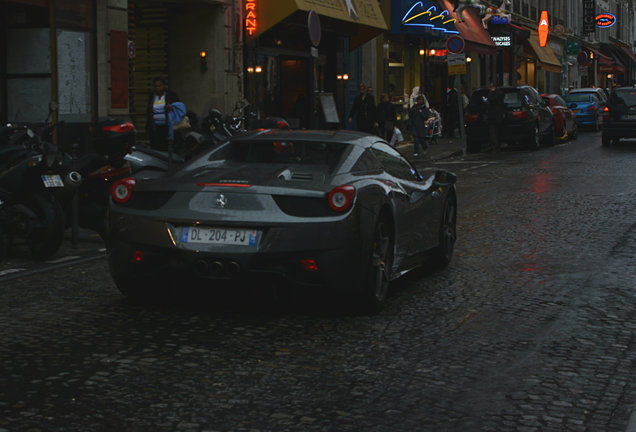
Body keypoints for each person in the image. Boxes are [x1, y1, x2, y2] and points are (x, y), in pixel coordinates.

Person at [146, 77, 179, 151]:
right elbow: (149, 111)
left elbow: (178, 106)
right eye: (156, 86)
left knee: (167, 147)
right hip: (156, 128)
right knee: (157, 147)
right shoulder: (152, 96)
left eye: (159, 85)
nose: (158, 88)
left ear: (164, 86)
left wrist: (172, 107)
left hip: (167, 127)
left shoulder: (171, 95)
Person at [485, 82, 504, 152]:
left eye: (490, 87)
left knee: (493, 132)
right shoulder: (499, 93)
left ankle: (495, 146)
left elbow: (492, 100)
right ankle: (495, 145)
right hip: (496, 116)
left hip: (494, 116)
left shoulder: (496, 94)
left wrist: (490, 94)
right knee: (495, 132)